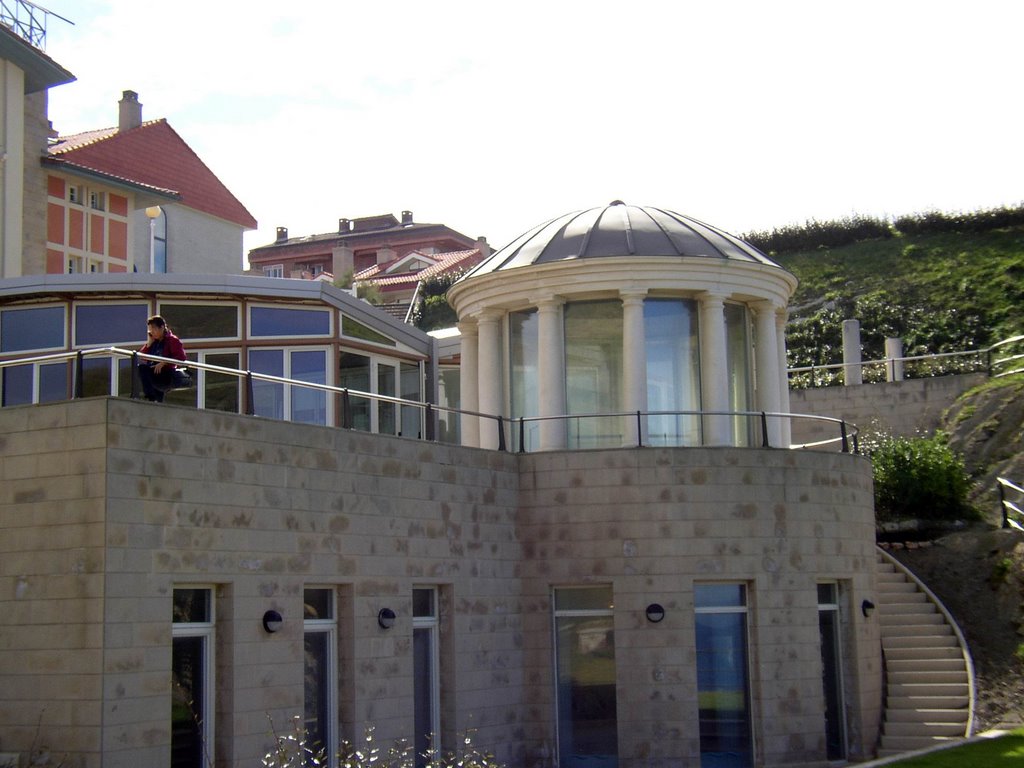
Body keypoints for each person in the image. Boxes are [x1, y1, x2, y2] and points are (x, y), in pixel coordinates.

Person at [138, 315, 188, 402]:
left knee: (142, 368)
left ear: (162, 327)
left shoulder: (172, 340)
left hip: (166, 373)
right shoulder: (154, 341)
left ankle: (151, 397)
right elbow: (142, 356)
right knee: (142, 368)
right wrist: (149, 343)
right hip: (154, 371)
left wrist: (164, 362)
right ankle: (155, 401)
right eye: (150, 330)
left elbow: (181, 357)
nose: (152, 332)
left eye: (154, 329)